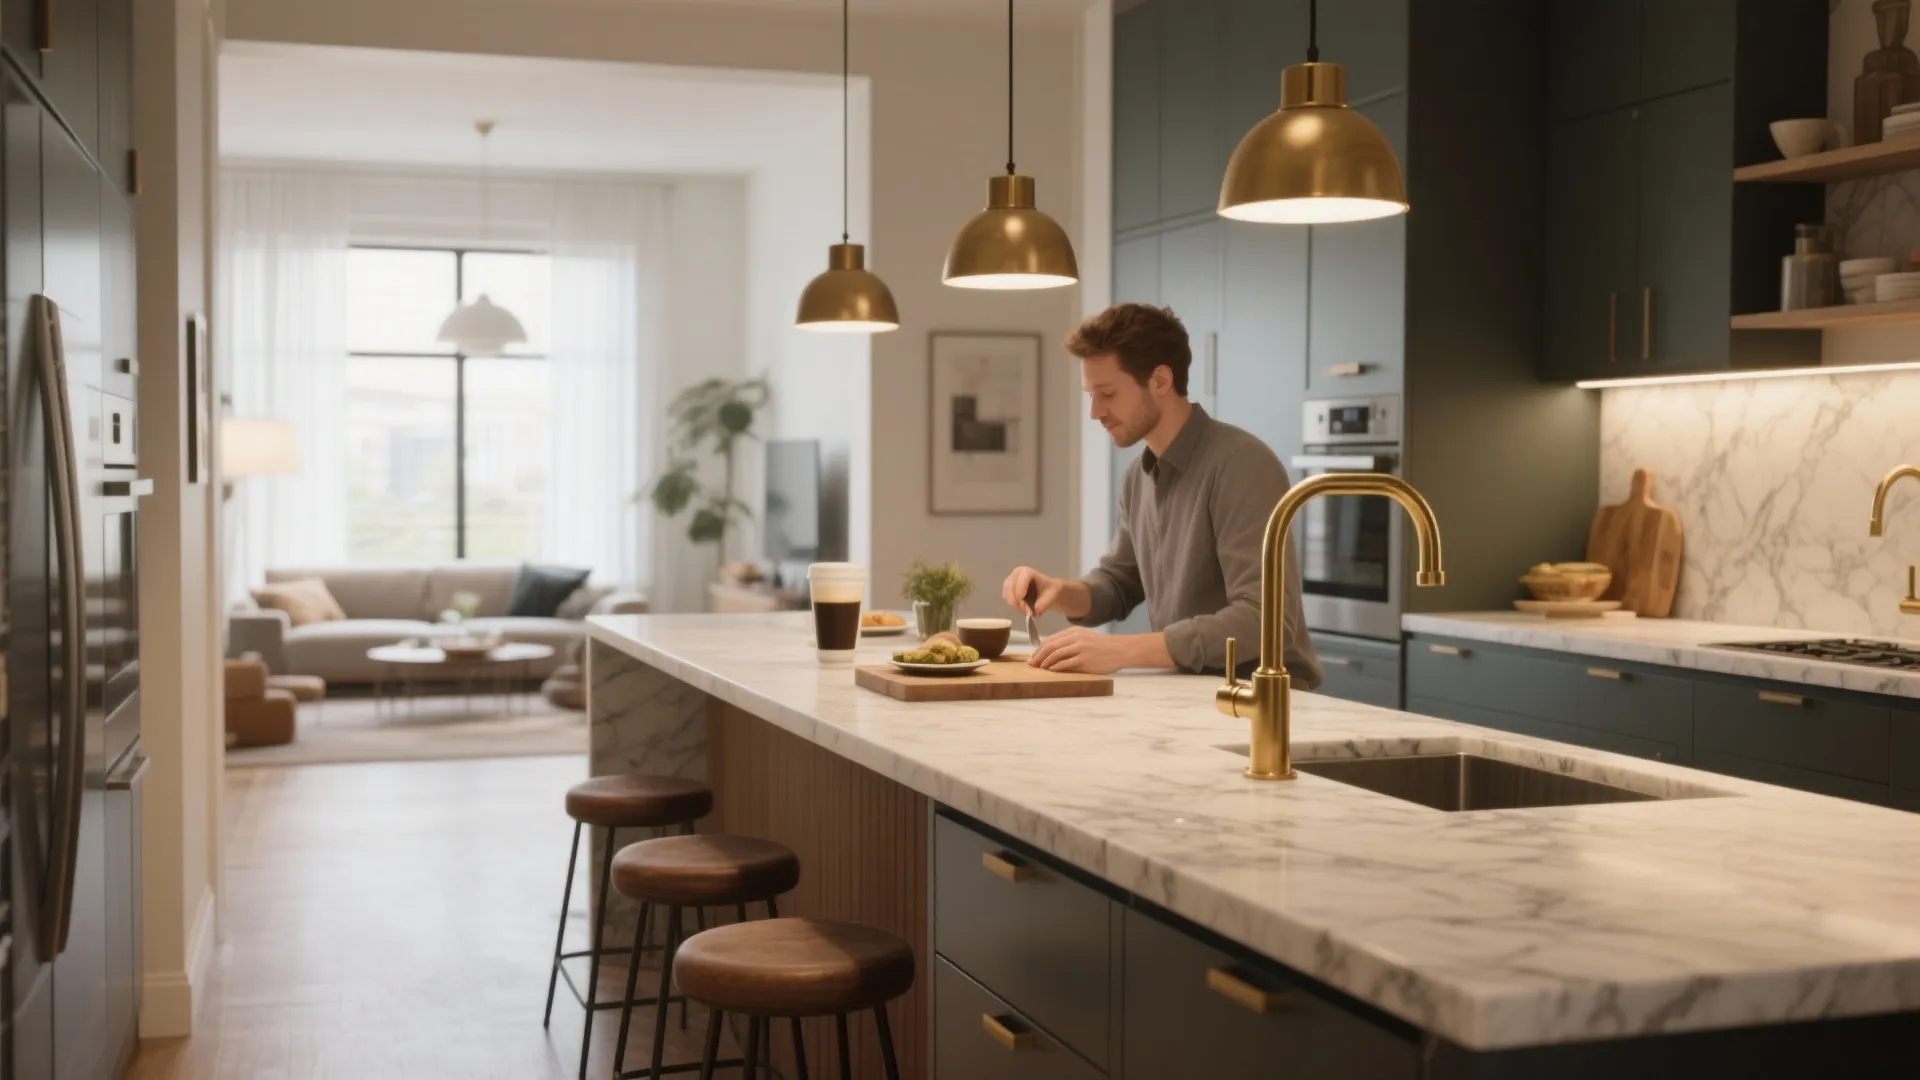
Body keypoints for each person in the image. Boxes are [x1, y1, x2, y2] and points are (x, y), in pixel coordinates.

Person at [1002, 303, 1321, 684]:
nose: (1095, 412)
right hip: (1191, 695)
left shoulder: (1241, 465)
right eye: (1091, 394)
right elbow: (1118, 584)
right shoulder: (1139, 476)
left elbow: (1264, 618)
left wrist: (1123, 650)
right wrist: (1059, 591)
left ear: (1160, 381)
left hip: (1264, 705)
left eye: (1107, 393)